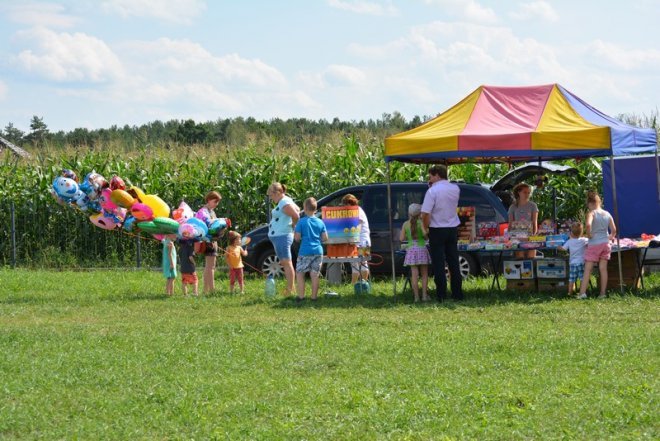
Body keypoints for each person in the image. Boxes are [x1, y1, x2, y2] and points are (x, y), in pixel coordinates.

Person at [421, 164, 463, 301]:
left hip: (437, 229)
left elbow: (425, 213)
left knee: (439, 263)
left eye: (431, 176)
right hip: (452, 228)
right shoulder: (455, 188)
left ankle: (441, 294)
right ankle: (457, 293)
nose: (430, 179)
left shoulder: (432, 191)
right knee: (453, 262)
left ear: (437, 175)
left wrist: (425, 228)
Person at [578, 191, 616, 299]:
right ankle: (602, 293)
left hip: (594, 244)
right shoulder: (607, 214)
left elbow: (588, 224)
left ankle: (582, 293)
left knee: (588, 269)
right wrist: (609, 238)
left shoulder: (592, 213)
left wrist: (589, 234)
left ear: (590, 203)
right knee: (603, 269)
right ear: (599, 201)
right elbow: (614, 230)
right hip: (605, 244)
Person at [267, 182, 300, 296]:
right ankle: (291, 288)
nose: (271, 198)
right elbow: (298, 209)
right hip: (280, 235)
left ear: (277, 193)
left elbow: (296, 215)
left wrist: (293, 226)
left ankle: (290, 289)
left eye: (271, 195)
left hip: (283, 235)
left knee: (287, 262)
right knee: (285, 262)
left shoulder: (284, 202)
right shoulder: (285, 200)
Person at [294, 197, 328, 301]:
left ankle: (301, 297)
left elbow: (297, 238)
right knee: (315, 274)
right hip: (318, 251)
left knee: (300, 274)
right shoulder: (320, 222)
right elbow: (325, 238)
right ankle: (314, 297)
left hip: (305, 251)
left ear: (304, 208)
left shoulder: (301, 222)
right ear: (315, 208)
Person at [399, 203, 431, 302]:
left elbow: (401, 238)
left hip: (411, 249)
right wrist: (426, 233)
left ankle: (416, 297)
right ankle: (425, 296)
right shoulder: (421, 223)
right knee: (424, 274)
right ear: (420, 213)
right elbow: (425, 234)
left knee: (414, 275)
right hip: (421, 248)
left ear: (409, 213)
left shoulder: (405, 224)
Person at [341, 194, 371, 284]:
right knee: (357, 263)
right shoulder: (356, 211)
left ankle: (362, 283)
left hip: (362, 241)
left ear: (349, 203)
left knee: (361, 263)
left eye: (344, 205)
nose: (344, 207)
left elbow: (357, 227)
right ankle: (356, 284)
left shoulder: (357, 211)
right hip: (360, 241)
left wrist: (351, 239)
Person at [198, 191, 222, 294]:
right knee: (210, 267)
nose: (216, 204)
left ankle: (205, 290)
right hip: (208, 242)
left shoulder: (211, 211)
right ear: (209, 200)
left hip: (213, 241)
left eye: (218, 202)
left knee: (210, 266)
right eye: (215, 201)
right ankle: (212, 290)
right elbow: (209, 224)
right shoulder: (203, 212)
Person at [509, 183, 539, 258]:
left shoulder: (533, 205)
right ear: (519, 192)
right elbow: (510, 224)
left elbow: (535, 222)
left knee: (531, 258)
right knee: (520, 259)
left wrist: (533, 236)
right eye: (525, 192)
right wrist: (509, 238)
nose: (527, 194)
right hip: (517, 237)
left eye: (528, 193)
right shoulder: (513, 207)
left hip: (530, 236)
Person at [560, 223, 588, 296]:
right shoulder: (583, 240)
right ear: (581, 232)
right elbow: (590, 242)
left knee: (571, 279)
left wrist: (558, 247)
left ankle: (570, 292)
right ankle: (582, 292)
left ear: (571, 233)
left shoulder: (569, 241)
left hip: (572, 263)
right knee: (582, 279)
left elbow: (563, 249)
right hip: (581, 263)